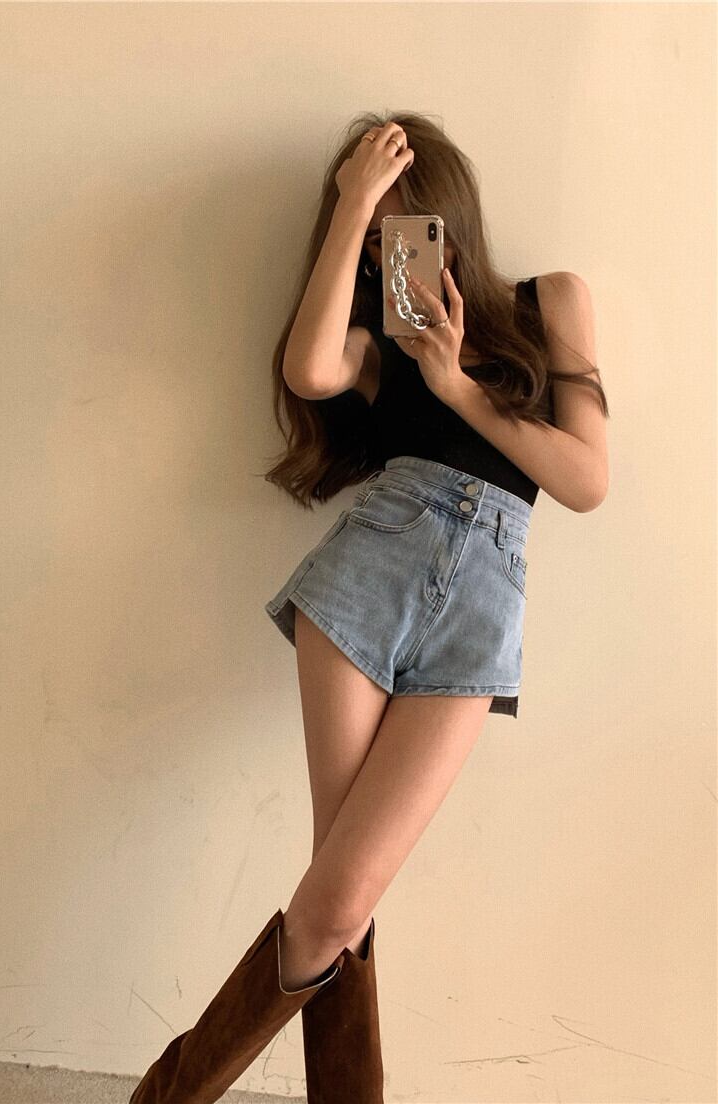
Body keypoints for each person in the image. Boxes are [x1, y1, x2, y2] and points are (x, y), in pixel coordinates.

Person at [129, 112, 610, 1104]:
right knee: (339, 897)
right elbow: (307, 371)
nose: (402, 251)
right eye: (379, 237)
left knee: (339, 899)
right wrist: (350, 204)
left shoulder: (550, 301)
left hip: (479, 613)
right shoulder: (373, 342)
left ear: (452, 215)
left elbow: (585, 479)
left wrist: (457, 386)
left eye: (413, 223)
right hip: (365, 578)